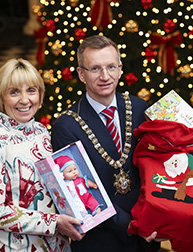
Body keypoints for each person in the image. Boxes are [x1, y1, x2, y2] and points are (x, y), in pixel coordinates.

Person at [51, 35, 160, 252]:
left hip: (146, 236)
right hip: (101, 239)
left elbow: (155, 165)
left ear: (120, 69)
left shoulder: (139, 108)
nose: (105, 76)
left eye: (111, 67)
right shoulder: (66, 125)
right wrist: (130, 225)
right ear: (81, 74)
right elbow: (78, 189)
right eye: (95, 69)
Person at [0, 58, 84, 252]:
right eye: (14, 92)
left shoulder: (40, 130)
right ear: (2, 96)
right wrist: (53, 222)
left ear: (40, 95)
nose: (24, 100)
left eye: (31, 90)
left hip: (57, 245)